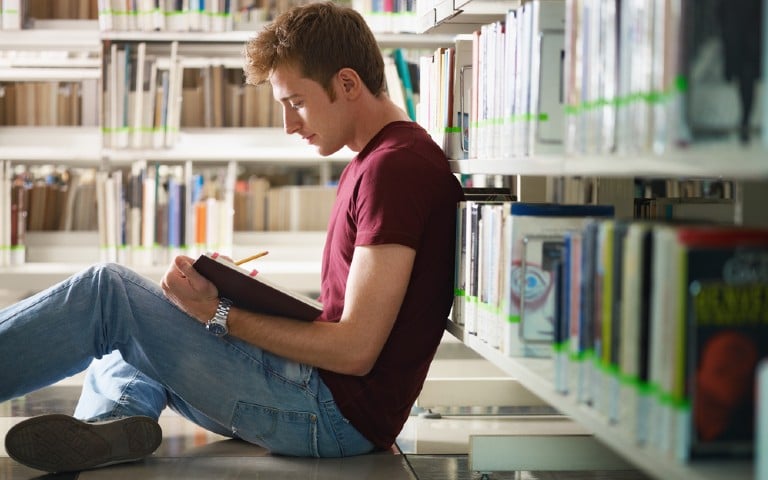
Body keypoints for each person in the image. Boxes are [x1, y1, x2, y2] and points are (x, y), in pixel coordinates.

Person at [1, 1, 464, 473]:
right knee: (141, 327)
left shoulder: (395, 168)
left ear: (347, 84)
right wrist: (231, 297)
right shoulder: (380, 160)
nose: (289, 125)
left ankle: (113, 414)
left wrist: (220, 314)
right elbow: (348, 319)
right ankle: (115, 422)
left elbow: (355, 350)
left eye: (296, 103)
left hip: (329, 416)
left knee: (108, 293)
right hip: (327, 404)